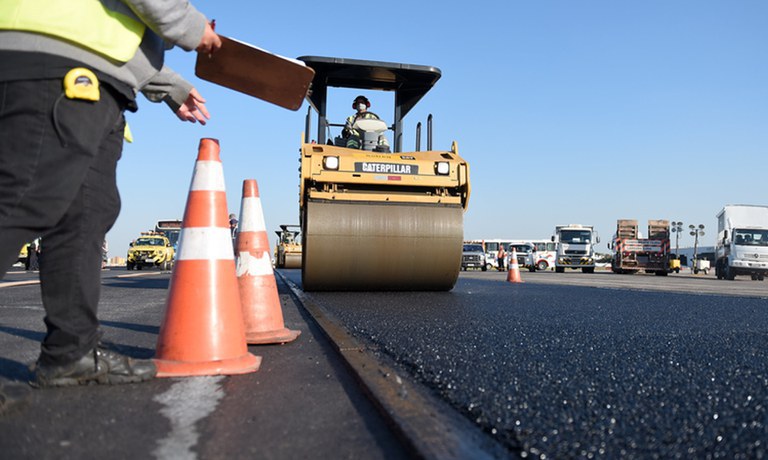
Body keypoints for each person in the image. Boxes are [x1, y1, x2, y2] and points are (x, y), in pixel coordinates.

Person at [0, 1, 221, 388]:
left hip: (97, 76)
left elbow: (116, 32)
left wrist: (169, 86)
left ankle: (70, 355)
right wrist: (192, 26)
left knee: (87, 215)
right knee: (25, 199)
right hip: (53, 58)